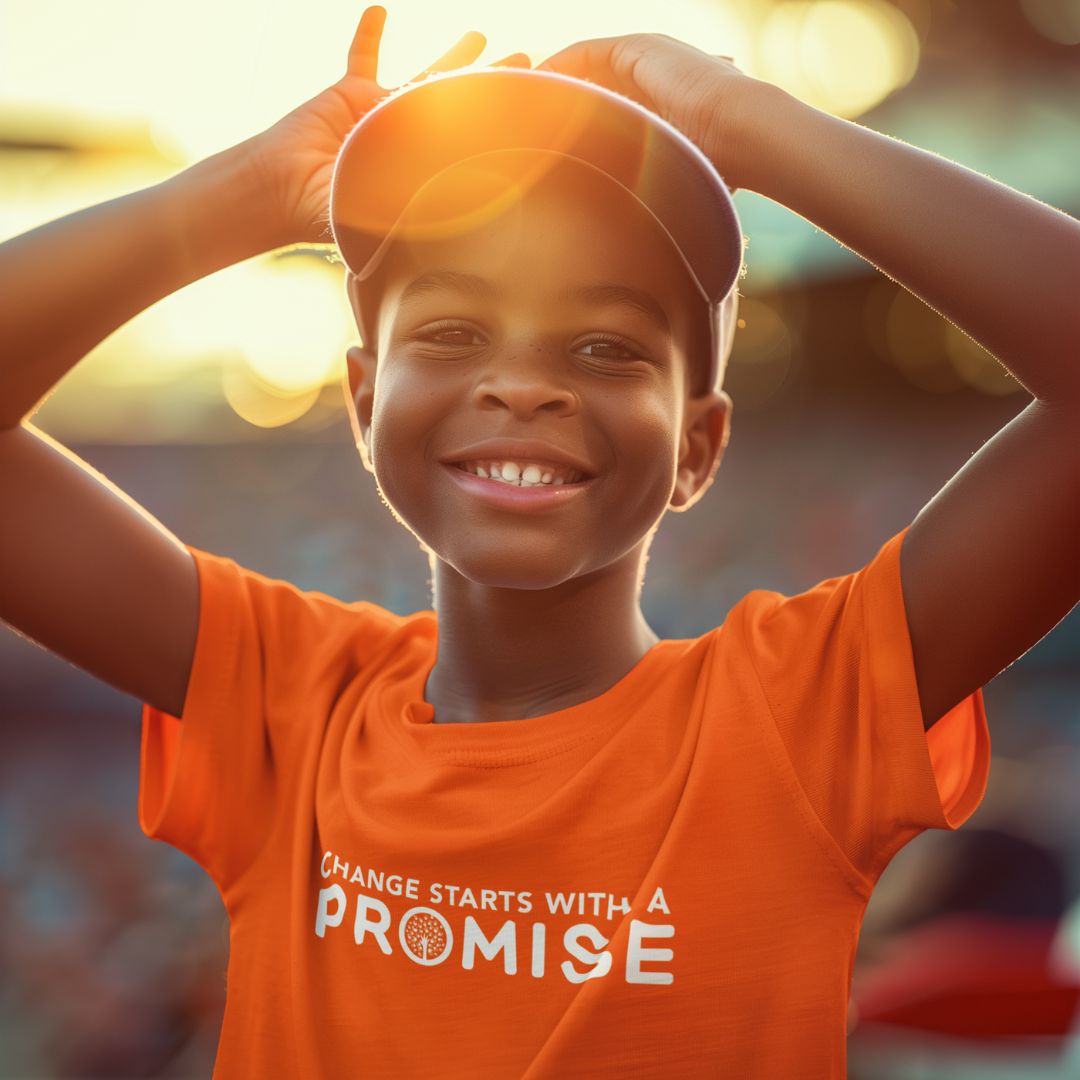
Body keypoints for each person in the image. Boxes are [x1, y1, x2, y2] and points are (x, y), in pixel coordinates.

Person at [0, 5, 1076, 1077]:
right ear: (364, 404)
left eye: (606, 346)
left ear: (698, 446)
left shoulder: (799, 718)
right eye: (452, 331)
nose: (520, 383)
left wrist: (742, 121)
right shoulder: (290, 704)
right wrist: (243, 195)